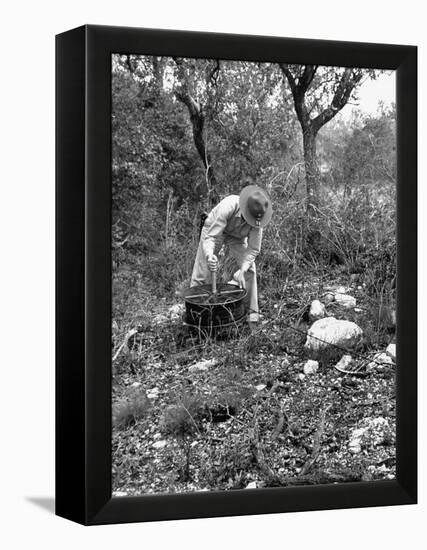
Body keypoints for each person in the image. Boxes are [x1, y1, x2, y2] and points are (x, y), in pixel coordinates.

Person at [190, 185, 273, 329]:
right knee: (202, 271)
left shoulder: (258, 218)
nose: (251, 223)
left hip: (237, 238)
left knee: (250, 270)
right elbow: (211, 237)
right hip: (214, 231)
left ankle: (251, 317)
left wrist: (242, 270)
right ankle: (195, 317)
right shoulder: (228, 206)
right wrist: (210, 255)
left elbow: (253, 249)